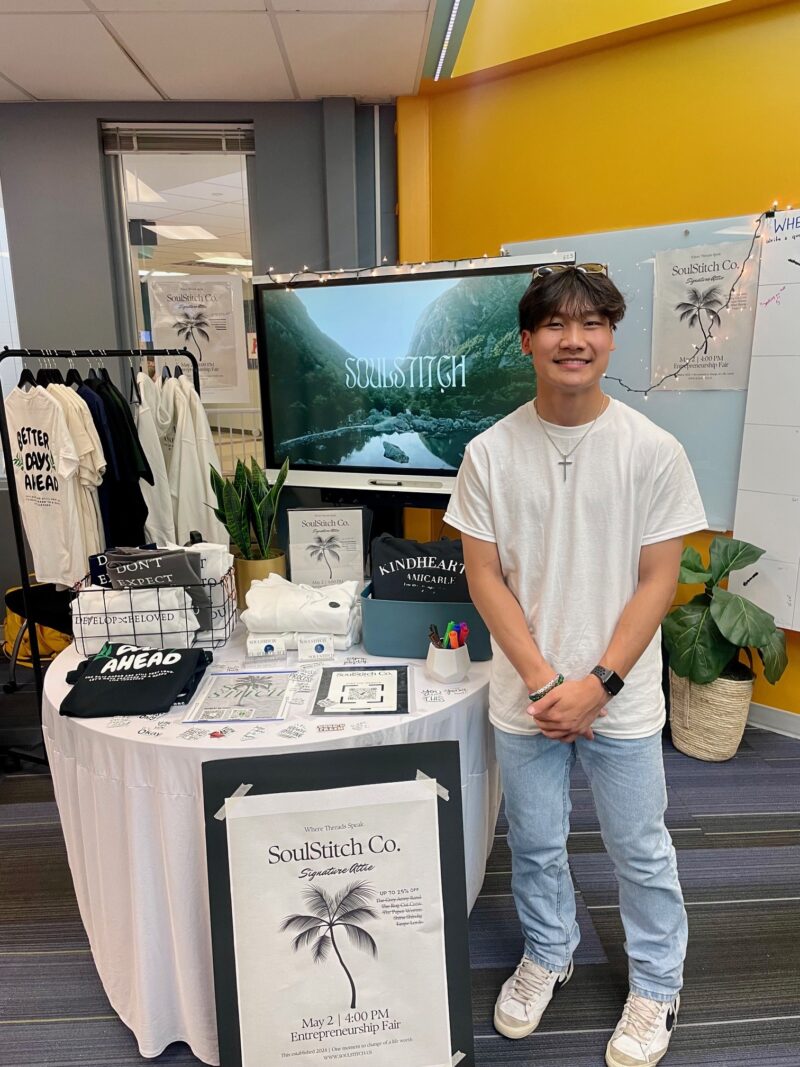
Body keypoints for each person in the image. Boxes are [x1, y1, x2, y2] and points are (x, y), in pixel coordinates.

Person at [443, 263, 707, 1067]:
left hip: (619, 701)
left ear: (610, 337)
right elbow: (484, 575)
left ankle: (657, 983)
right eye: (556, 324)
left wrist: (600, 684)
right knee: (534, 842)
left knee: (639, 847)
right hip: (526, 697)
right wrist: (545, 682)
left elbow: (659, 577)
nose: (574, 339)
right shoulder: (489, 452)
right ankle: (548, 952)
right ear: (528, 341)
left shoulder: (652, 450)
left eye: (591, 323)